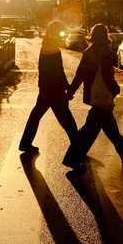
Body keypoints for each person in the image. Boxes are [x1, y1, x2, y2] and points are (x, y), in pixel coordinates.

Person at [63, 24, 123, 172]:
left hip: (93, 93)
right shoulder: (105, 52)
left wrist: (71, 91)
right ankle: (71, 159)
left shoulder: (88, 51)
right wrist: (115, 88)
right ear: (105, 36)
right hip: (102, 95)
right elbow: (107, 75)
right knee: (88, 133)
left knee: (110, 127)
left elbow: (80, 74)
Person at [19, 21, 78, 154]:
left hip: (46, 89)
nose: (62, 35)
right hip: (54, 90)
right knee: (67, 119)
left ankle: (25, 143)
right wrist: (67, 88)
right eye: (61, 32)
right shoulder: (52, 48)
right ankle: (78, 145)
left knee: (36, 116)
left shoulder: (47, 45)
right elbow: (58, 71)